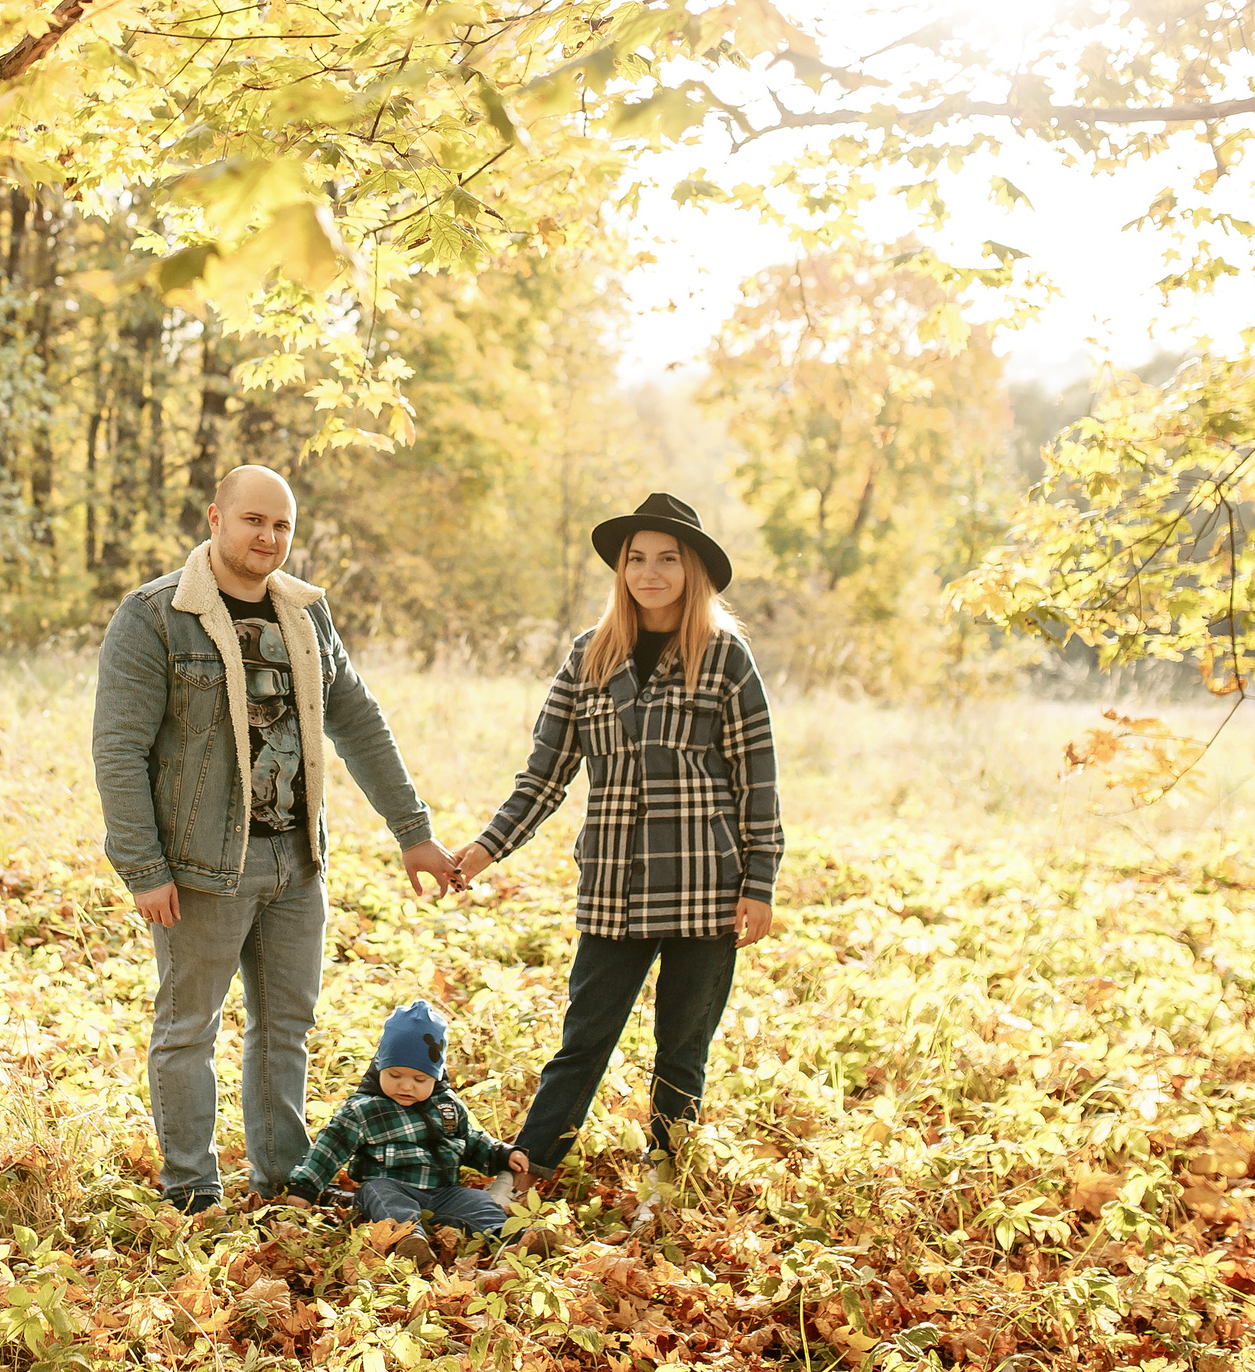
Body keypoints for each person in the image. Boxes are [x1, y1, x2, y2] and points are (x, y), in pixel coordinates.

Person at [93, 464, 465, 1211]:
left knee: (285, 1029)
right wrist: (143, 866)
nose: (268, 536)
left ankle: (281, 1183)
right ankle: (192, 1190)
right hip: (201, 866)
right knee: (187, 1029)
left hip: (296, 861)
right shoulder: (155, 616)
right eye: (254, 519)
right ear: (215, 518)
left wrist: (413, 830)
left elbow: (357, 719)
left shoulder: (305, 615)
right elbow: (117, 748)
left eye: (282, 525)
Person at [455, 492, 782, 1219]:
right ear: (622, 568)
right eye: (637, 557)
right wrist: (482, 850)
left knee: (682, 1047)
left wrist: (760, 882)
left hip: (706, 887)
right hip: (615, 888)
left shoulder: (726, 657)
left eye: (668, 558)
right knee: (584, 1038)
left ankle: (663, 1181)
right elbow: (545, 774)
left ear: (692, 569)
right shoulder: (589, 655)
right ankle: (527, 1170)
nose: (650, 571)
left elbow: (757, 779)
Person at [277, 1000, 552, 1260]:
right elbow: (328, 1149)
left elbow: (470, 1140)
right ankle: (408, 1240)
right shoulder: (364, 1110)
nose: (406, 1086)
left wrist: (501, 1154)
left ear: (436, 1075)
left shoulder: (446, 1105)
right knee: (381, 1195)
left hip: (443, 1192)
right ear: (379, 1066)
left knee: (477, 1201)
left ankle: (513, 1238)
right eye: (394, 1075)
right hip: (390, 1185)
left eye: (420, 1079)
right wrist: (304, 1188)